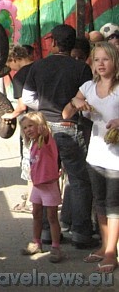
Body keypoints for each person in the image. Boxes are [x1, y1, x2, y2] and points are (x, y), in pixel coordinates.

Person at [22, 24, 95, 249]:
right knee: (79, 181)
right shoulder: (81, 68)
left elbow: (28, 98)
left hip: (44, 129)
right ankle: (82, 233)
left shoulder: (39, 66)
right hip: (70, 128)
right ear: (72, 44)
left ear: (53, 43)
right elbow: (86, 100)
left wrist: (45, 109)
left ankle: (45, 231)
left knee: (44, 179)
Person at [63, 41, 119, 273]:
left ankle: (110, 252)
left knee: (114, 205)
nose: (101, 64)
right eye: (96, 60)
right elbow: (65, 113)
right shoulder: (87, 87)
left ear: (115, 61)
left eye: (105, 59)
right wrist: (76, 103)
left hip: (116, 159)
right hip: (95, 155)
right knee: (100, 203)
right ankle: (105, 246)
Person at [19, 112, 64, 263]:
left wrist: (44, 131)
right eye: (25, 128)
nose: (28, 130)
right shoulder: (32, 144)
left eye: (31, 126)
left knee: (52, 217)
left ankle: (56, 247)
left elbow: (45, 135)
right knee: (36, 214)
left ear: (40, 126)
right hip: (37, 186)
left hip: (49, 186)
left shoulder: (46, 141)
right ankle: (36, 242)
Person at [2, 44, 35, 212]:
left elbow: (22, 106)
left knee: (30, 160)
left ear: (15, 59)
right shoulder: (41, 67)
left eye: (10, 63)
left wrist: (10, 115)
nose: (9, 68)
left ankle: (31, 201)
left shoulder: (20, 77)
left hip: (30, 123)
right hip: (48, 120)